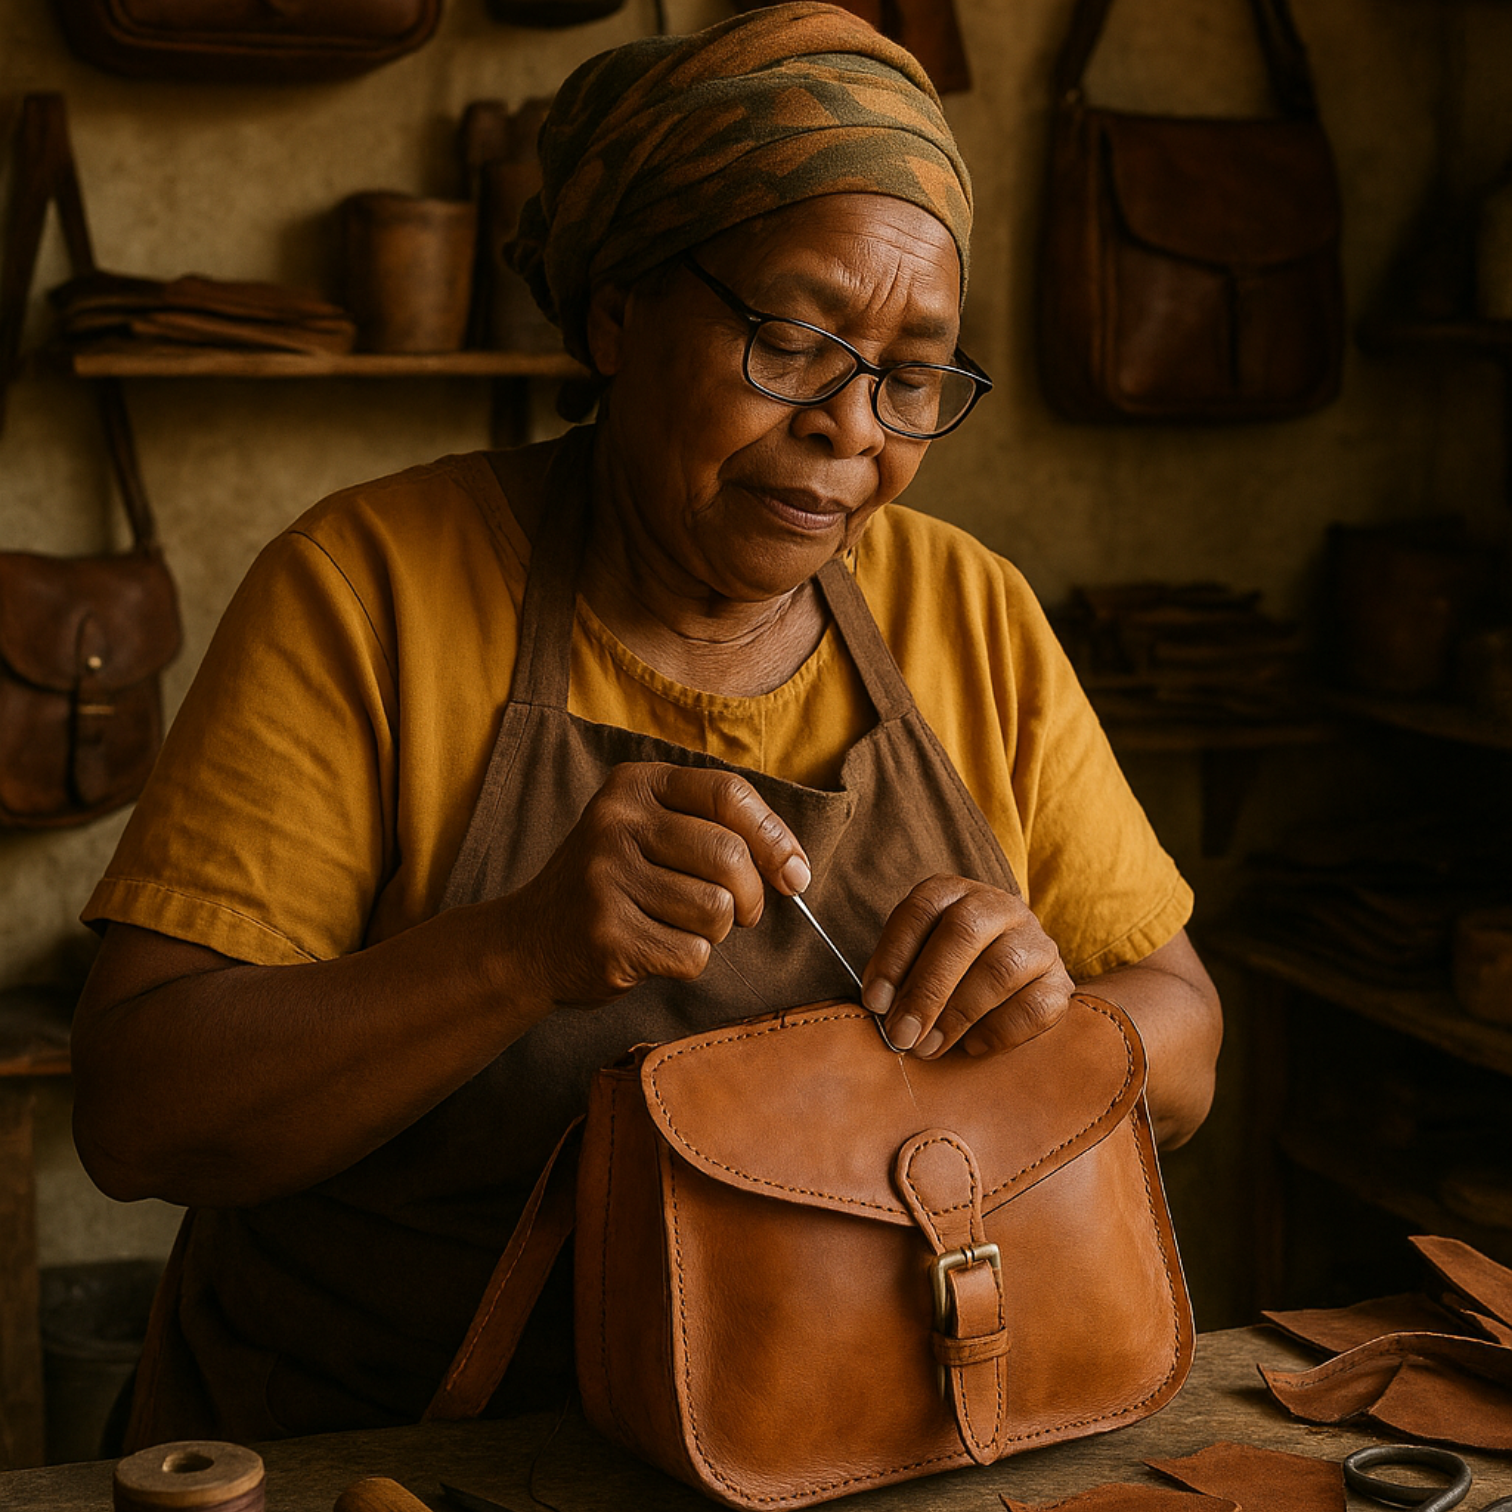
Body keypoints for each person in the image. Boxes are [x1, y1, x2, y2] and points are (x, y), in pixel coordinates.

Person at [71, 0, 1222, 1450]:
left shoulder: (966, 612)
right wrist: (512, 953)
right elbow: (137, 1115)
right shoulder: (366, 590)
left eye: (912, 375)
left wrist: (1060, 1017)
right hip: (407, 1448)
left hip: (845, 1428)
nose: (854, 427)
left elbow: (1183, 1047)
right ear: (619, 312)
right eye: (793, 341)